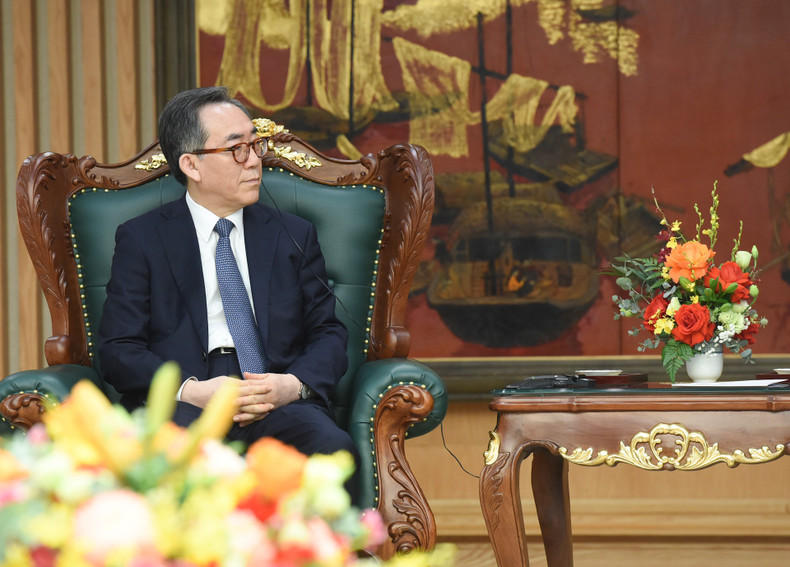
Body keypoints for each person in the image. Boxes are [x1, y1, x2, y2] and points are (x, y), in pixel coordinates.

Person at [97, 86, 357, 495]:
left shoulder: (292, 234)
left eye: (256, 145)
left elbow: (328, 332)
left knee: (330, 447)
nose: (255, 160)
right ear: (192, 165)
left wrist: (291, 385)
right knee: (167, 460)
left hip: (271, 394)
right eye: (237, 149)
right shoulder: (142, 240)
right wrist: (192, 390)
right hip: (184, 403)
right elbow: (117, 348)